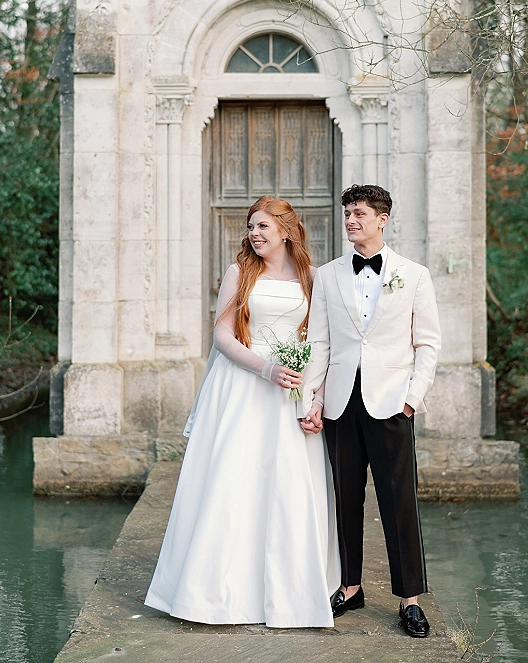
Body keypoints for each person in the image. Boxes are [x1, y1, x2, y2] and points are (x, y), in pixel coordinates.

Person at [145, 196, 340, 628]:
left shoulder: (313, 276)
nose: (254, 234)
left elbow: (326, 343)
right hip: (244, 384)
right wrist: (267, 368)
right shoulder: (240, 272)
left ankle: (291, 591)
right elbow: (222, 337)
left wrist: (316, 396)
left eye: (263, 227)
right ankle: (217, 591)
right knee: (235, 481)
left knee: (288, 483)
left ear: (286, 231)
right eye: (251, 227)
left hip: (293, 391)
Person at [299, 184, 441, 639]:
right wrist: (312, 399)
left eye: (359, 213)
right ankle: (350, 585)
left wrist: (410, 399)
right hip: (341, 402)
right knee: (344, 498)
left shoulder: (413, 275)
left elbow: (428, 343)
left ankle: (410, 600)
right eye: (347, 214)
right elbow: (318, 342)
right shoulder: (327, 275)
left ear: (382, 219)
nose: (350, 221)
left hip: (390, 404)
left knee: (398, 500)